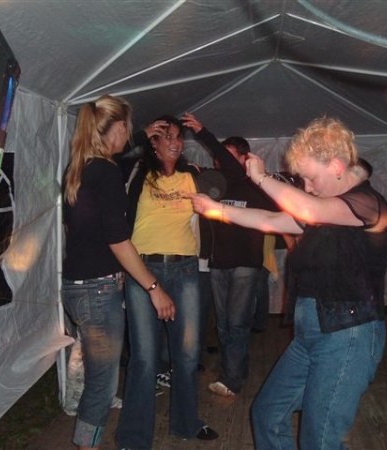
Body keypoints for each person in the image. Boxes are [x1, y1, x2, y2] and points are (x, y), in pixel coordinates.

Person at [188, 116, 387, 449]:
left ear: (337, 166)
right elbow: (272, 218)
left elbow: (308, 209)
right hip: (310, 334)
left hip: (348, 336)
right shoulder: (321, 210)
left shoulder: (369, 204)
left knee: (319, 440)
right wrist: (218, 210)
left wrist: (261, 178)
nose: (307, 187)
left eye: (311, 178)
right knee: (267, 414)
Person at [61, 95, 175, 450]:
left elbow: (85, 233)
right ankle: (87, 446)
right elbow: (117, 239)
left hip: (77, 286)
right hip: (96, 292)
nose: (128, 136)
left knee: (98, 382)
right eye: (128, 128)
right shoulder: (105, 172)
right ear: (119, 127)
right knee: (102, 386)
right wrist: (154, 287)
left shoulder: (79, 168)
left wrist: (141, 135)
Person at [114, 115, 218, 450]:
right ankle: (133, 437)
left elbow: (232, 173)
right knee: (144, 358)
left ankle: (186, 423)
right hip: (143, 270)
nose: (175, 142)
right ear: (154, 143)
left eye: (179, 137)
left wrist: (205, 134)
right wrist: (140, 136)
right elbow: (109, 158)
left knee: (186, 356)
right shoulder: (137, 174)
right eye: (167, 136)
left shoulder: (192, 176)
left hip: (185, 270)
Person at [183, 113, 276, 397]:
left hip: (246, 264)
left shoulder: (257, 186)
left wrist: (204, 133)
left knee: (236, 322)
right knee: (224, 324)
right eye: (220, 157)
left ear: (245, 159)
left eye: (229, 156)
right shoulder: (217, 182)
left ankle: (232, 379)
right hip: (219, 263)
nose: (220, 161)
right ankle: (235, 370)